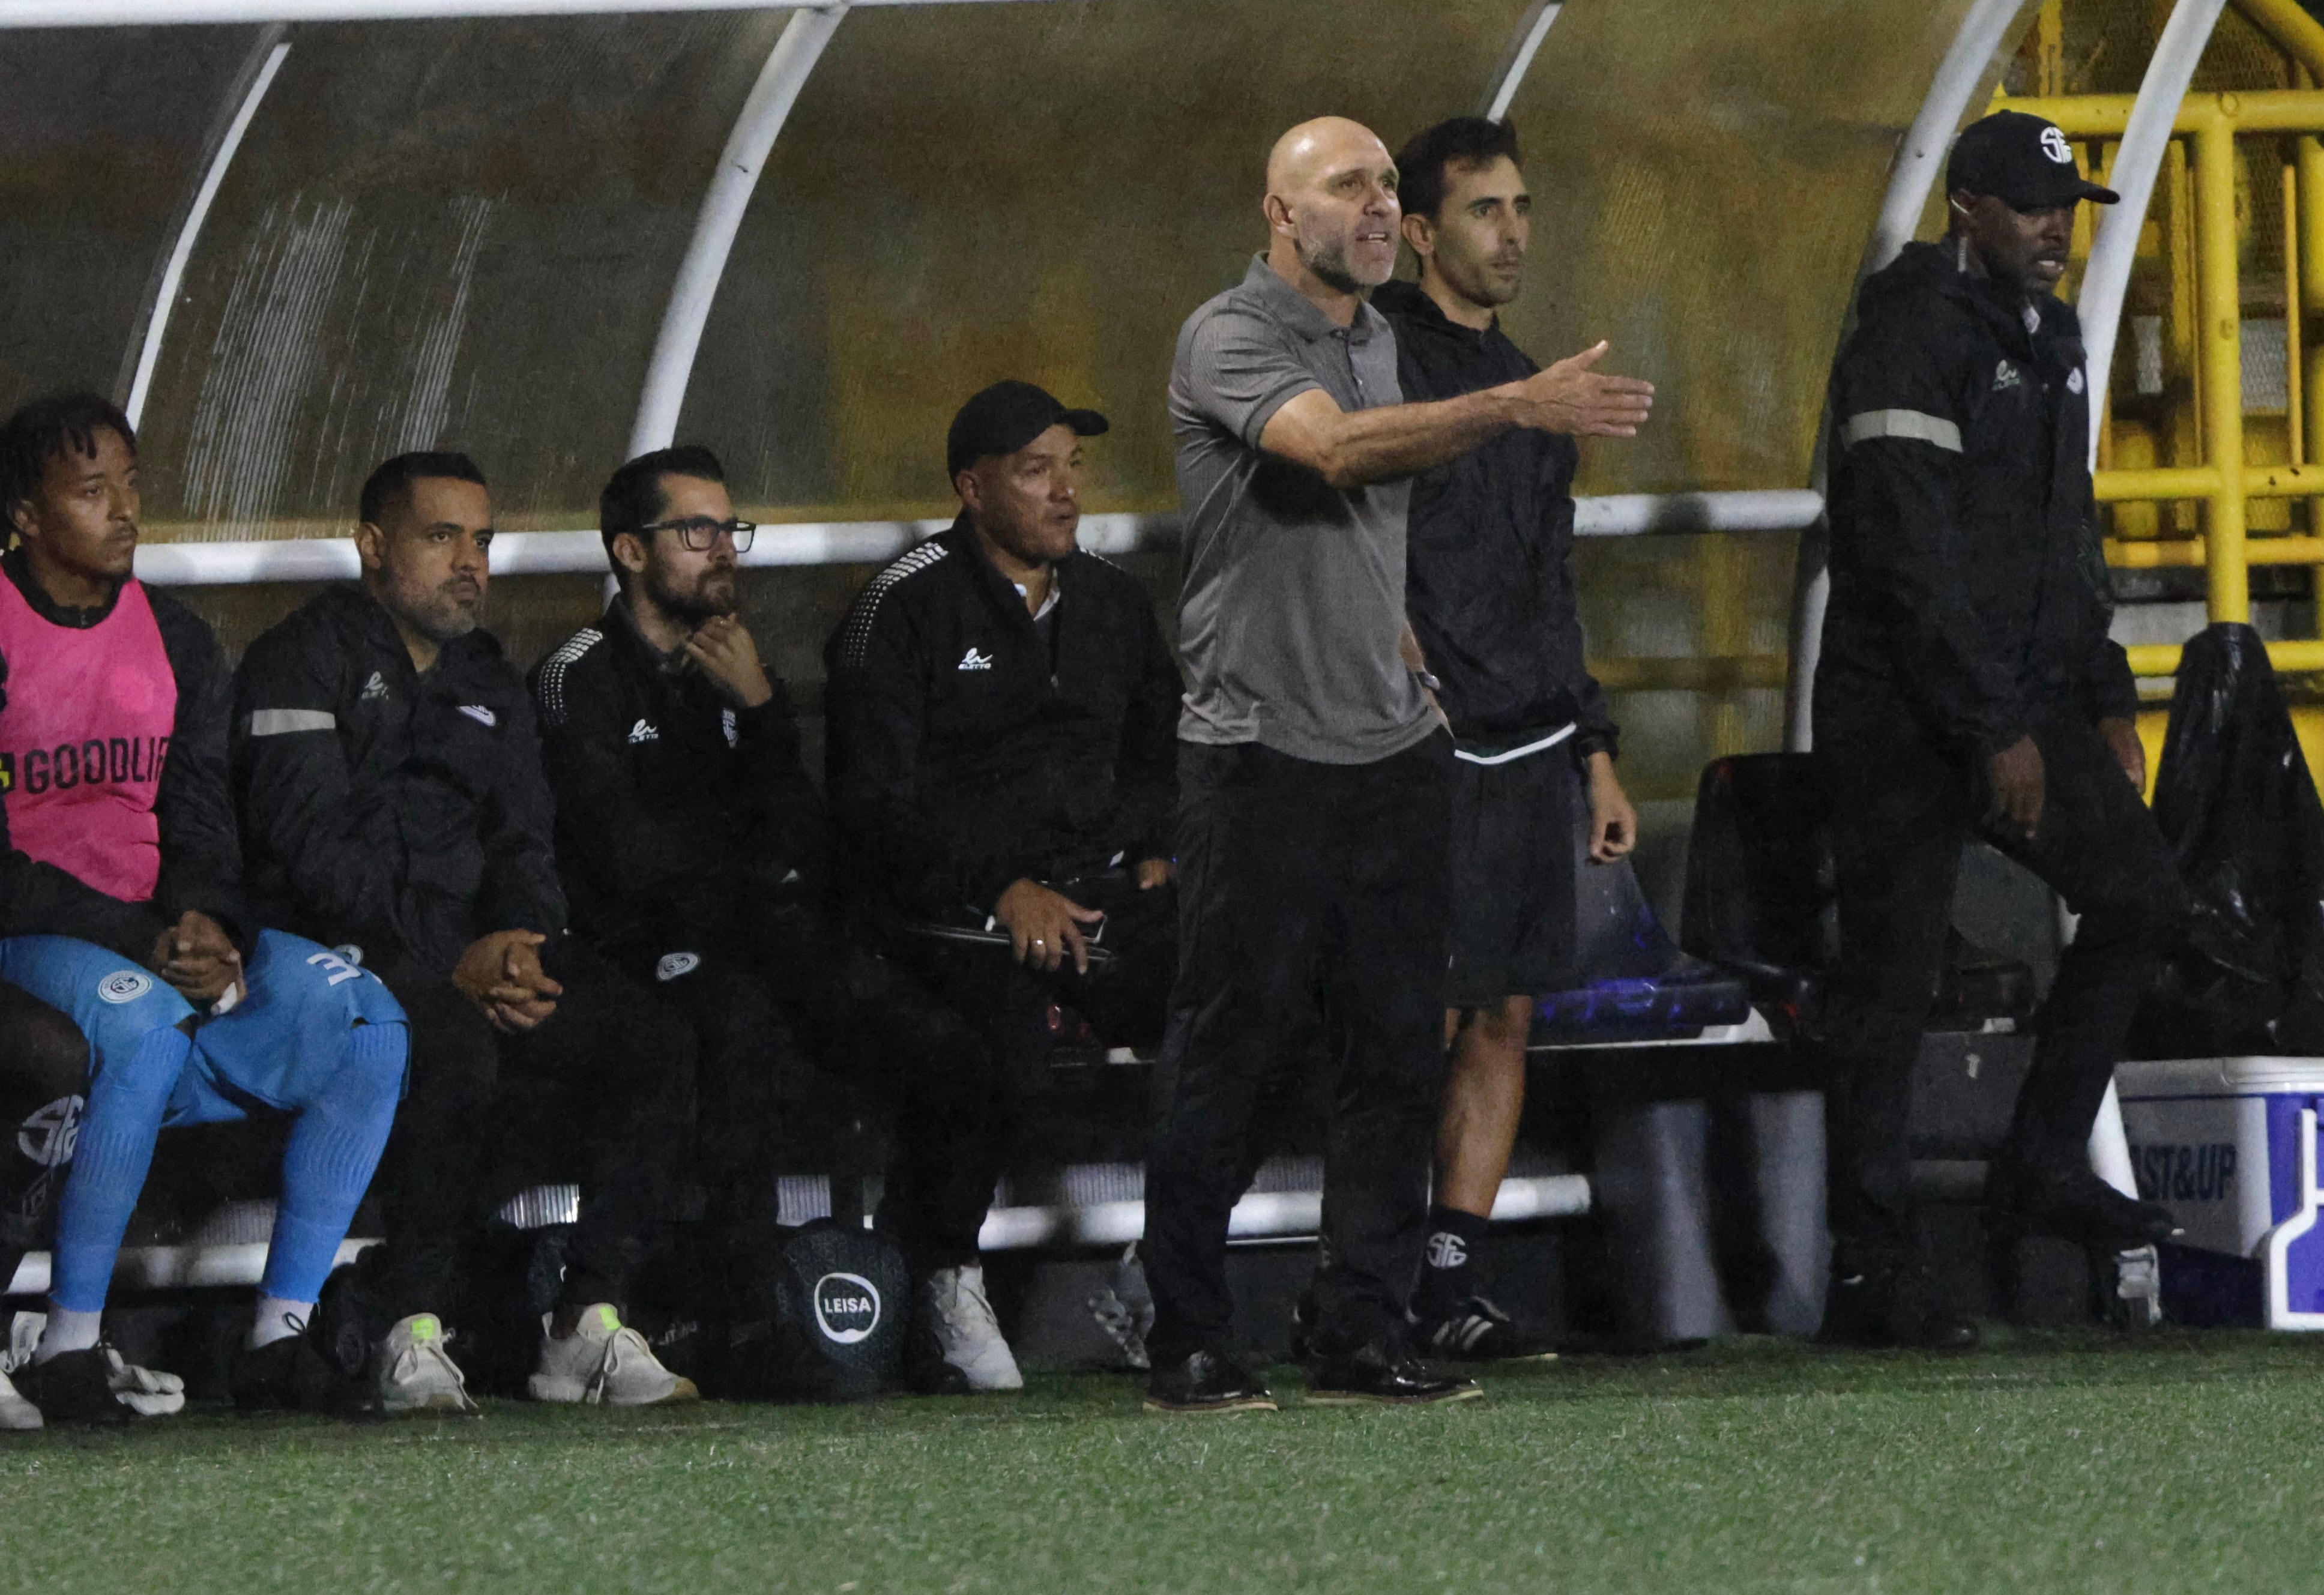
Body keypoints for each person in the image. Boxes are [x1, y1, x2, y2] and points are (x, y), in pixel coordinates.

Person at [1141, 116, 1652, 1413]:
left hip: (1391, 753)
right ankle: (1188, 1330)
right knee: (1232, 1050)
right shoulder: (1233, 335)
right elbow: (1335, 454)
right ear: (1278, 211)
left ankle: (1360, 1326)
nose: (1375, 206)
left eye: (1383, 186)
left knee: (1389, 1054)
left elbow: (1368, 535)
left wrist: (1406, 650)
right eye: (1348, 187)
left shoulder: (1377, 340)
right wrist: (1514, 405)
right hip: (1256, 752)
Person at [1815, 109, 2191, 1349]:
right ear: (1965, 210)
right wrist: (1994, 729)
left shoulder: (2053, 336)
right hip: (1900, 715)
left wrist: (2103, 695)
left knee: (2139, 897)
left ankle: (2036, 1164)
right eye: (2032, 207)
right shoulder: (1910, 333)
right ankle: (1868, 1270)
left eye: (2066, 208)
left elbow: (2060, 535)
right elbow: (1905, 553)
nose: (2054, 229)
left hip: (2016, 700)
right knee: (1888, 983)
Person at [233, 450, 697, 1409]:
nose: (470, 563)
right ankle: (412, 1324)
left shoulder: (491, 676)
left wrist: (522, 938)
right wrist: (455, 962)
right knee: (448, 1045)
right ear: (372, 545)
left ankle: (586, 1323)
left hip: (478, 953)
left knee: (653, 1039)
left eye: (481, 540)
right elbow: (312, 858)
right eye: (441, 537)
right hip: (341, 960)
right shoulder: (299, 657)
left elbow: (527, 836)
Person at [0, 392, 407, 1426]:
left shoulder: (176, 639)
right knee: (139, 1019)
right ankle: (68, 1344)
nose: (125, 511)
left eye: (132, 486)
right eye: (93, 493)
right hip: (34, 933)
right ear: (27, 517)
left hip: (153, 933)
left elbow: (200, 817)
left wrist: (212, 925)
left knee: (364, 1019)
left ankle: (282, 1333)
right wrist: (150, 938)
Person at [825, 380, 1183, 1393]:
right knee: (990, 1038)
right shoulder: (902, 606)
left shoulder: (1113, 602)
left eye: (1074, 466)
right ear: (972, 488)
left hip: (1102, 894)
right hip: (953, 918)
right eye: (1038, 470)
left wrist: (1158, 846)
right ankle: (942, 1275)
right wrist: (997, 888)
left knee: (1243, 989)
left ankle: (1179, 1263)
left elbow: (1164, 744)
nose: (1066, 491)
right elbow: (870, 802)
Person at [1377, 115, 1638, 1361]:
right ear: (1419, 232)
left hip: (1530, 742)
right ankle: (1364, 1276)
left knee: (1503, 1016)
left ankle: (1449, 1279)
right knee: (1411, 1014)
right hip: (1419, 746)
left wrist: (1593, 746)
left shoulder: (1543, 387)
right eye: (1486, 210)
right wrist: (1389, 651)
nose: (1514, 231)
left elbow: (1551, 582)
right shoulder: (1378, 363)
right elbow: (1340, 533)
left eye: (1523, 208)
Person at [531, 445, 821, 1340]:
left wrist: (765, 706)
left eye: (729, 527)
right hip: (620, 943)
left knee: (878, 998)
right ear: (629, 551)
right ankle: (735, 1307)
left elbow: (801, 838)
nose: (724, 547)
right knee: (730, 1015)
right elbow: (626, 859)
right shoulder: (579, 674)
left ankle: (879, 1283)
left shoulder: (733, 670)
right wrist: (744, 867)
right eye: (696, 529)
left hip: (735, 927)